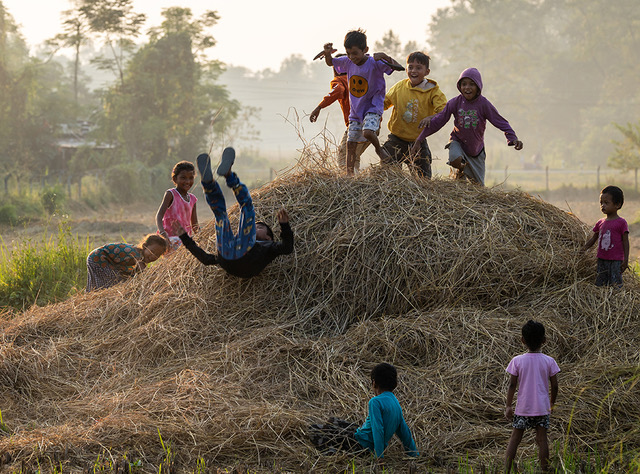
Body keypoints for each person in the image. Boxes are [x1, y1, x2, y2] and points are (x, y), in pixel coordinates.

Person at [175, 147, 294, 278]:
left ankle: (228, 176)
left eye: (259, 227)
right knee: (221, 216)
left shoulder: (269, 247)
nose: (254, 226)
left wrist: (184, 237)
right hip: (226, 255)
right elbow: (207, 259)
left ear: (268, 238)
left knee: (246, 208)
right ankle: (210, 183)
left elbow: (287, 248)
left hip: (239, 257)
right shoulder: (247, 242)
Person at [410, 67, 523, 185]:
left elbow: (500, 121)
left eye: (472, 84)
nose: (467, 87)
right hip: (457, 142)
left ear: (478, 86)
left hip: (476, 150)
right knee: (454, 158)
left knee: (478, 188)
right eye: (464, 84)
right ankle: (460, 170)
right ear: (459, 86)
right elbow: (439, 121)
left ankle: (462, 174)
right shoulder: (455, 102)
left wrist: (512, 138)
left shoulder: (484, 104)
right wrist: (420, 138)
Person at [322, 29, 402, 174]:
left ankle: (380, 151)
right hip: (356, 111)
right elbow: (331, 63)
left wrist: (385, 56)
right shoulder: (347, 62)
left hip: (373, 107)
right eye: (348, 53)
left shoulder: (375, 63)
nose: (352, 57)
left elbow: (399, 68)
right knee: (350, 142)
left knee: (367, 132)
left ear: (365, 50)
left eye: (355, 53)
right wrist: (328, 54)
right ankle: (349, 174)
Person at [309, 363, 419, 464]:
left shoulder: (375, 402)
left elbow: (378, 429)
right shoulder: (395, 402)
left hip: (361, 445)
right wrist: (414, 454)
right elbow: (404, 432)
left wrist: (379, 456)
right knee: (335, 423)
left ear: (374, 382)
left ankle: (332, 453)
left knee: (316, 430)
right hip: (362, 437)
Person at [504, 320, 559, 473]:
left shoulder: (517, 361)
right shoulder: (549, 361)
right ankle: (544, 469)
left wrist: (508, 406)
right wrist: (552, 404)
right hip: (542, 408)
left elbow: (512, 385)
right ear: (544, 341)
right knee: (542, 440)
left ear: (522, 340)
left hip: (523, 408)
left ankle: (506, 470)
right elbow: (555, 386)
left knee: (515, 439)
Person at [381, 51, 447, 178]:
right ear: (406, 69)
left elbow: (444, 111)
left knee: (424, 179)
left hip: (418, 141)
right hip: (396, 138)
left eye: (418, 68)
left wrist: (430, 117)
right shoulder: (400, 87)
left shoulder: (432, 91)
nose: (413, 71)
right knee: (388, 173)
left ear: (427, 72)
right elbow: (384, 103)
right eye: (410, 67)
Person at [309, 53, 370, 172]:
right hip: (372, 124)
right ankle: (357, 181)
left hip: (356, 125)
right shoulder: (361, 79)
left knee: (344, 159)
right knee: (354, 157)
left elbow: (339, 90)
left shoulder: (339, 81)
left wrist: (319, 107)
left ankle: (350, 185)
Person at [582, 185, 629, 287]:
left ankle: (614, 301)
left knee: (615, 283)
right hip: (601, 258)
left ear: (617, 204)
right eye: (601, 203)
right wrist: (584, 248)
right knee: (600, 283)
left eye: (606, 203)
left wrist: (625, 260)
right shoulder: (600, 222)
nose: (603, 205)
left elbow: (626, 242)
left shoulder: (621, 223)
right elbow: (594, 238)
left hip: (616, 260)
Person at [86, 234, 167, 292]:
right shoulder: (136, 254)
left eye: (157, 255)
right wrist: (156, 279)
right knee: (112, 284)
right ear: (144, 246)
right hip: (98, 258)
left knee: (122, 279)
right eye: (152, 251)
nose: (153, 256)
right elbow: (145, 273)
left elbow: (136, 273)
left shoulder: (140, 256)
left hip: (105, 260)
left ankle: (92, 296)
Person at [155, 161, 199, 250]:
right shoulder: (171, 194)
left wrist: (201, 237)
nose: (187, 181)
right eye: (183, 178)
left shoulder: (193, 199)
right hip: (170, 239)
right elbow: (159, 216)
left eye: (191, 178)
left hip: (186, 240)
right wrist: (163, 233)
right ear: (175, 179)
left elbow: (194, 224)